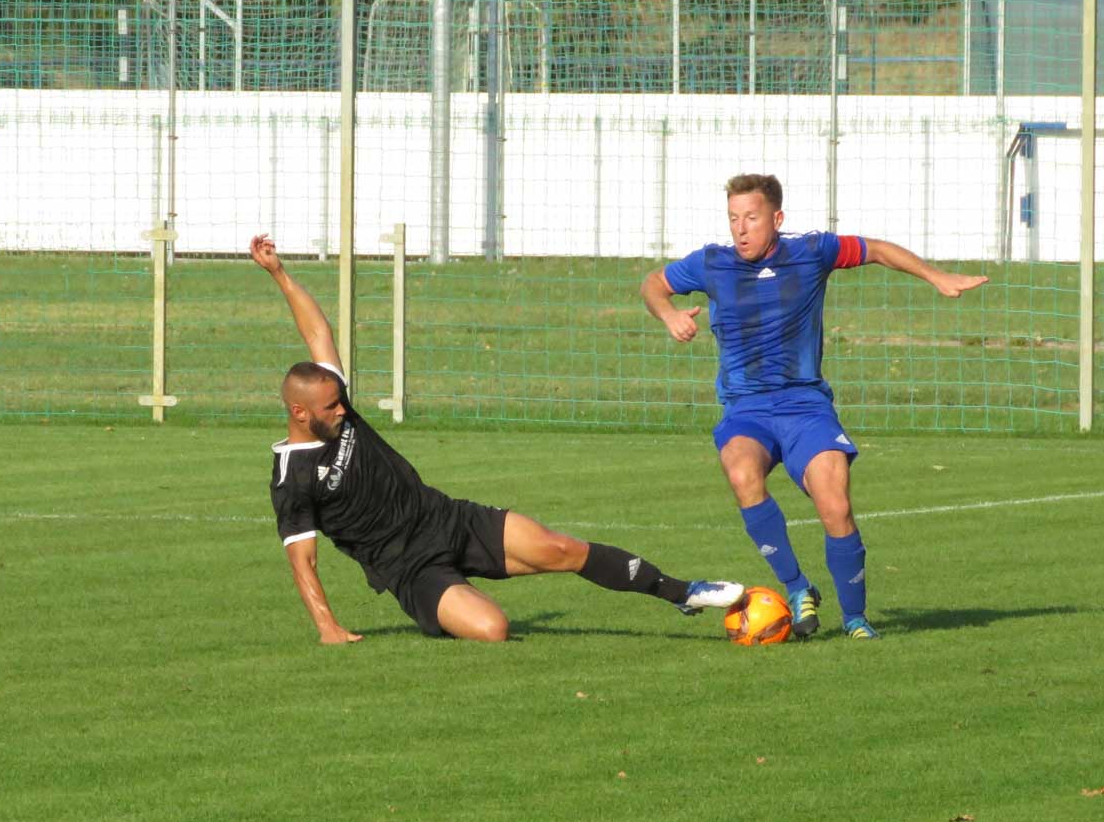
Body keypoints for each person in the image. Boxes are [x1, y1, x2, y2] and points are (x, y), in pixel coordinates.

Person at [253, 234, 743, 644]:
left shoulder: (332, 400)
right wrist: (328, 627)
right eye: (331, 407)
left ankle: (682, 592)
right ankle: (452, 596)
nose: (343, 409)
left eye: (339, 400)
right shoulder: (292, 477)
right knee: (493, 628)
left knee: (561, 548)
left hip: (447, 517)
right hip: (411, 569)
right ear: (300, 413)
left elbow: (317, 332)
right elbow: (303, 561)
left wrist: (279, 274)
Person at [640, 174, 988, 640]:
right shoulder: (711, 263)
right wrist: (668, 313)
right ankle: (797, 586)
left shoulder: (811, 251)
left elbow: (876, 249)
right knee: (742, 474)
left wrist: (936, 276)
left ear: (777, 218)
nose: (740, 229)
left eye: (752, 218)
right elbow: (653, 283)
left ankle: (855, 619)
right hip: (747, 409)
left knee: (835, 503)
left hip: (805, 407)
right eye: (734, 218)